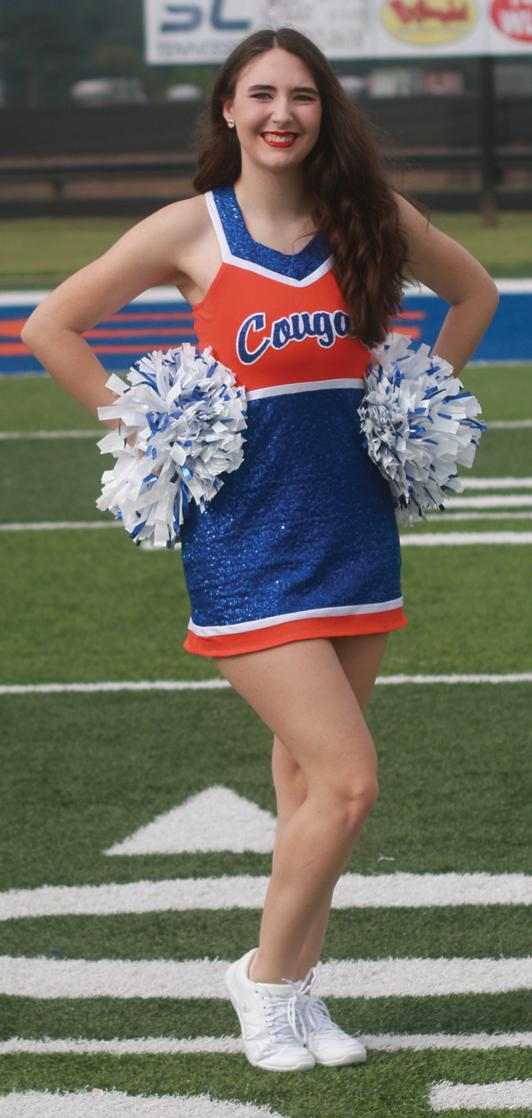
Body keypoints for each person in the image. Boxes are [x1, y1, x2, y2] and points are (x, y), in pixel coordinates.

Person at [21, 26, 498, 1074]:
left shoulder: (367, 216)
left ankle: (298, 989)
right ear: (229, 111)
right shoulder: (190, 230)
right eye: (262, 95)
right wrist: (145, 427)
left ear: (324, 110)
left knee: (306, 794)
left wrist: (417, 395)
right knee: (349, 783)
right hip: (244, 546)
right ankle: (265, 982)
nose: (283, 113)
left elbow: (476, 294)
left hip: (355, 532)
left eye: (302, 95)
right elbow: (53, 326)